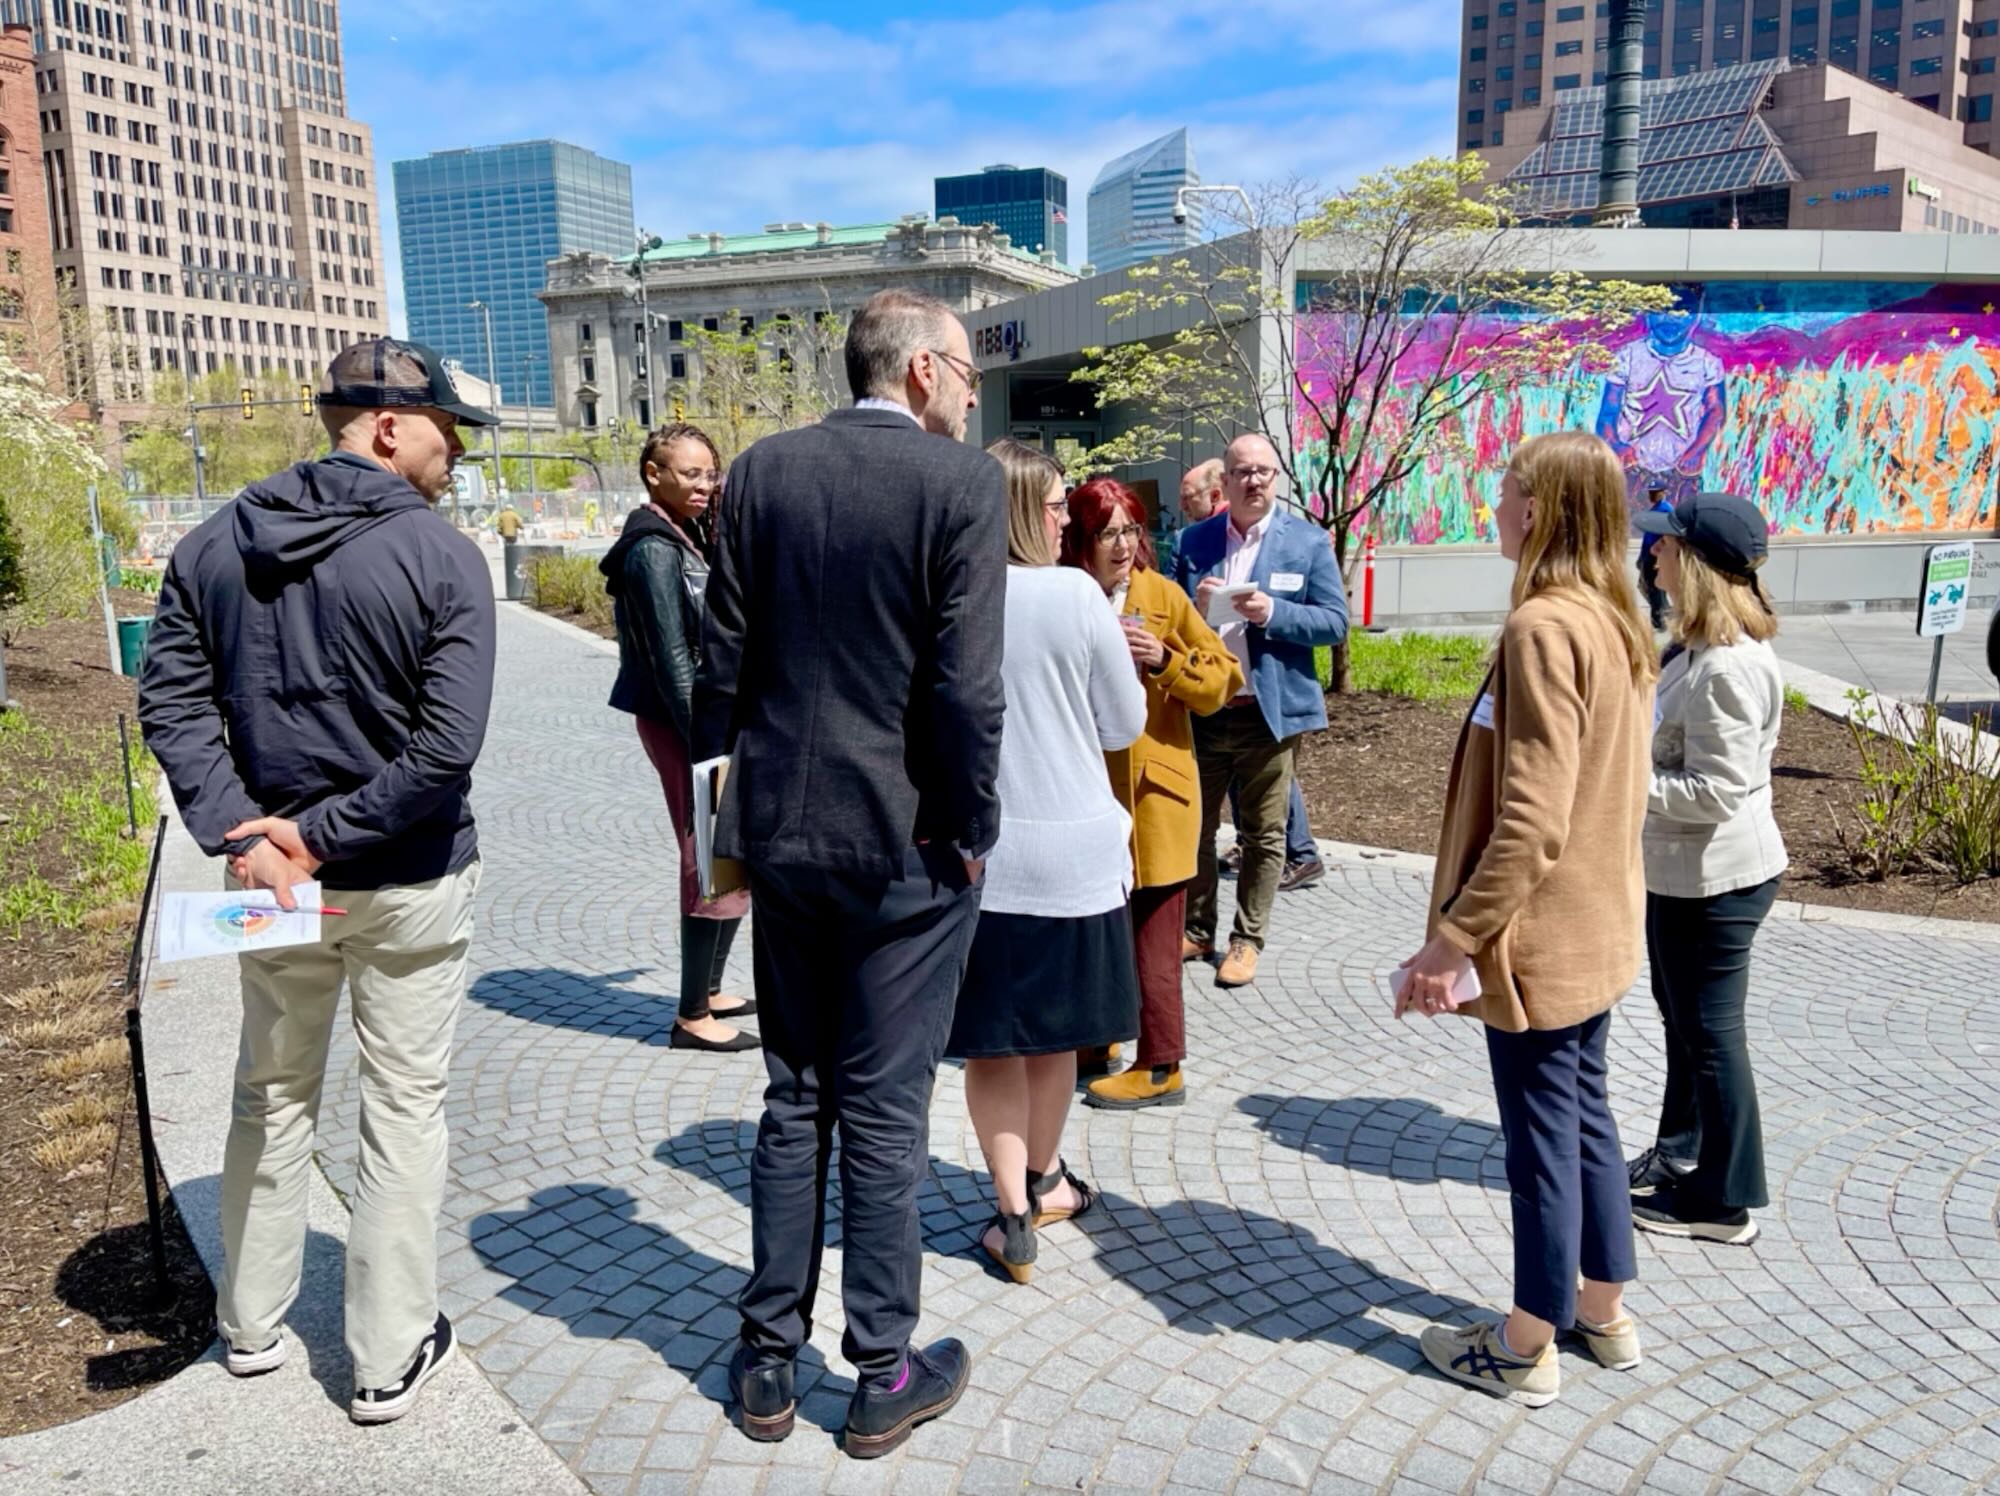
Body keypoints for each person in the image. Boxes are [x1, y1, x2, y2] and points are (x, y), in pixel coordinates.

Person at [138, 338, 499, 1425]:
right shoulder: (441, 556)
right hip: (406, 878)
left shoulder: (213, 544)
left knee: (271, 1090)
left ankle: (250, 1324)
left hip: (275, 882)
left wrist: (251, 838)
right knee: (402, 1106)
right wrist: (314, 837)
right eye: (446, 428)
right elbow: (445, 749)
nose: (455, 451)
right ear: (387, 425)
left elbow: (172, 704)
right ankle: (386, 1357)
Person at [693, 289, 1003, 1459]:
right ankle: (882, 1368)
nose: (970, 392)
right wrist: (974, 819)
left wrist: (722, 826)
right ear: (921, 369)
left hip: (782, 833)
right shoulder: (959, 482)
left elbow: (719, 665)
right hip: (906, 843)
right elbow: (966, 687)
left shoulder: (762, 472)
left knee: (795, 1091)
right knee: (879, 1105)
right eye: (965, 371)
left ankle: (767, 1356)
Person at [1396, 429, 1656, 1408]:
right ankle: (1603, 1311)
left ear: (1539, 509)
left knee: (1542, 1140)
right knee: (1585, 1118)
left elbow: (1533, 819)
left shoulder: (1544, 627)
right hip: (1596, 928)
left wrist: (1453, 937)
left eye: (1506, 491)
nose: (1493, 508)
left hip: (1541, 941)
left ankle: (1523, 1342)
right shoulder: (1613, 619)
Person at [947, 445, 1147, 1280]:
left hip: (989, 855)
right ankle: (1045, 1179)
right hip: (1076, 853)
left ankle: (1012, 1213)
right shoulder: (1076, 594)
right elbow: (1124, 723)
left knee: (994, 1046)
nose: (1068, 518)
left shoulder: (955, 596)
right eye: (1059, 503)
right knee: (1057, 1038)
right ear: (1028, 508)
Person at [1627, 492, 1788, 1246]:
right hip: (1684, 873)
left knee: (1713, 1037)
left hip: (1718, 879)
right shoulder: (1695, 648)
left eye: (1665, 544)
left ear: (1695, 564)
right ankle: (1683, 1153)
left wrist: (1623, 780)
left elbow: (1716, 792)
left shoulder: (1726, 667)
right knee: (1687, 1024)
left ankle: (1725, 1202)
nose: (1652, 552)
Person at [1060, 477, 1241, 1112]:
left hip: (1155, 797)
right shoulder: (1065, 593)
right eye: (1106, 532)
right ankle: (1098, 1040)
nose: (1121, 544)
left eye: (1130, 530)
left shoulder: (1161, 595)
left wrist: (1166, 660)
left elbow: (1222, 679)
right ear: (1080, 537)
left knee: (1152, 941)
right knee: (1092, 931)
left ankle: (1162, 1064)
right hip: (1083, 792)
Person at [600, 422, 756, 1053]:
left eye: (709, 473)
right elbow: (671, 658)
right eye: (690, 473)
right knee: (710, 851)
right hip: (686, 721)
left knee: (728, 851)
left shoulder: (683, 535)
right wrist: (709, 743)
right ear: (653, 474)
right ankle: (692, 1016)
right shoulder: (652, 549)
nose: (704, 485)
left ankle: (710, 989)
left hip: (703, 716)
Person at [1173, 433, 1348, 988]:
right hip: (1205, 709)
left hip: (1268, 715)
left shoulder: (1308, 542)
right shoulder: (1192, 541)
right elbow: (1168, 619)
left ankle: (1246, 940)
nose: (1253, 481)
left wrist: (1274, 612)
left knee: (1264, 835)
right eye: (1242, 472)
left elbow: (1335, 622)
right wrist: (1196, 609)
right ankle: (1197, 929)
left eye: (1263, 472)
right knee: (1195, 829)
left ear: (1276, 479)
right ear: (1223, 482)